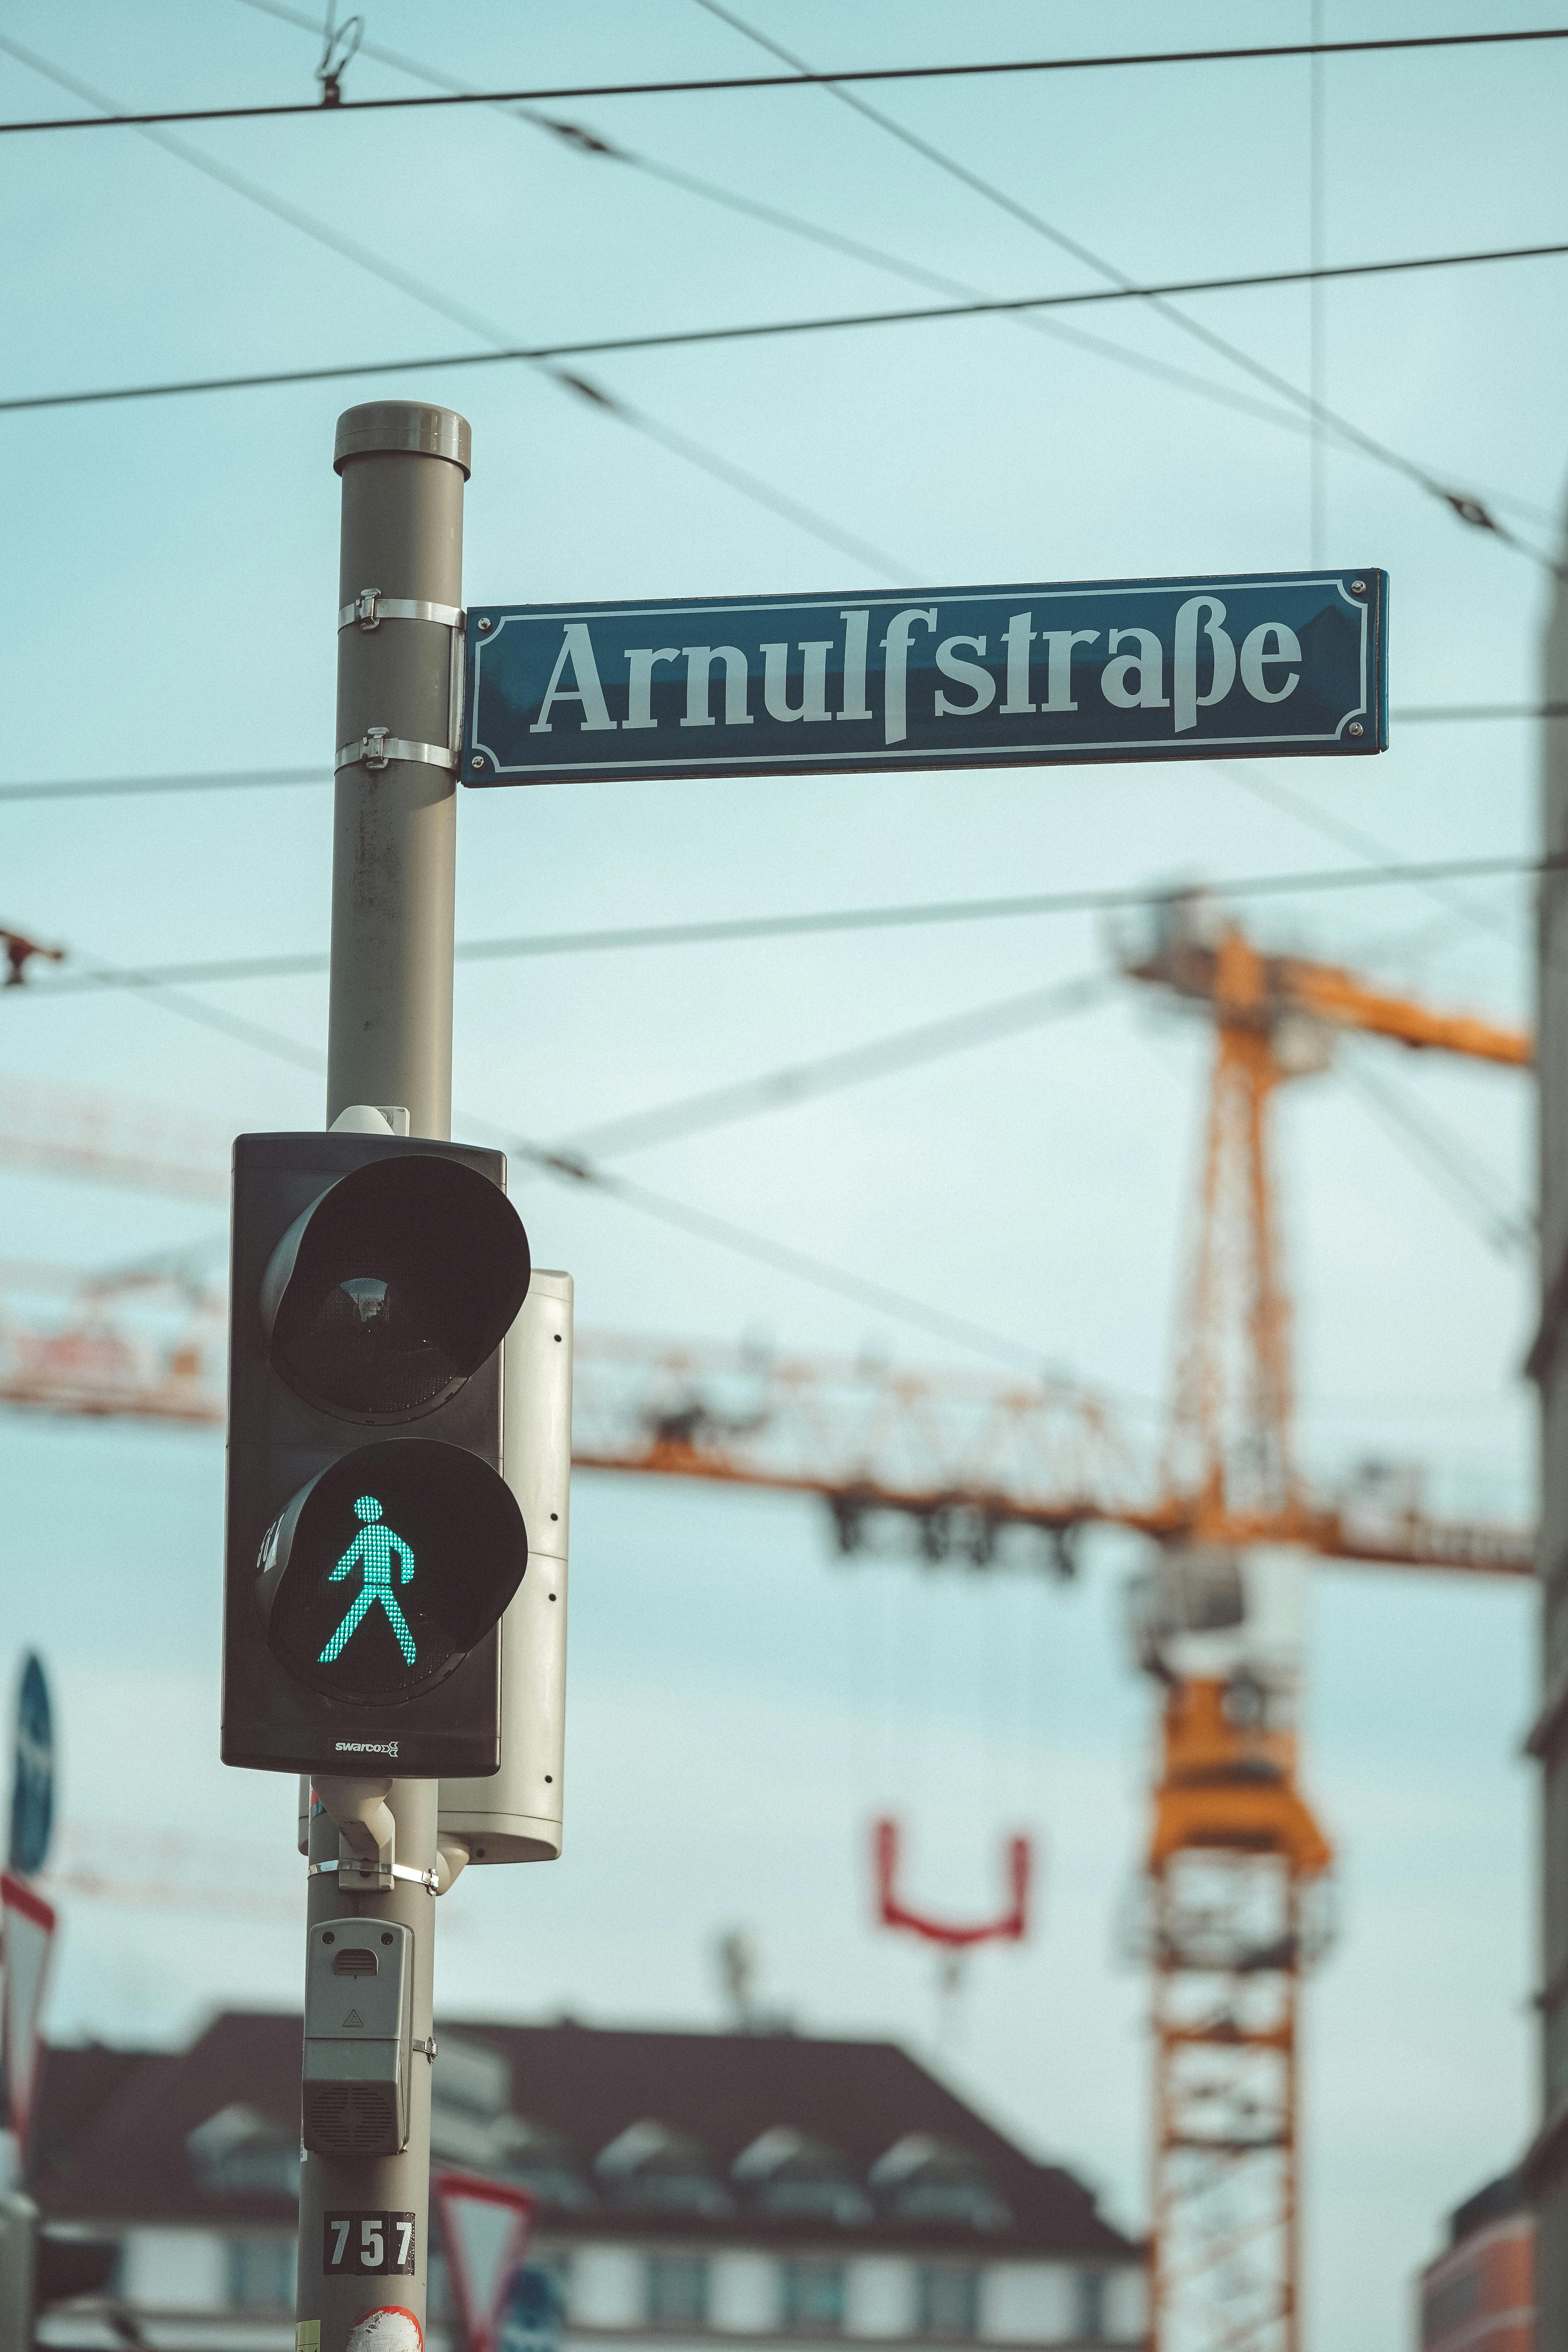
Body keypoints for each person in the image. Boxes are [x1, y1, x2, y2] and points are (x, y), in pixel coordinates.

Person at [319, 1494, 417, 1667]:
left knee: (353, 1620)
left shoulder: (366, 1533)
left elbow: (351, 1557)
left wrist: (337, 1576)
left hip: (373, 1586)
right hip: (381, 1586)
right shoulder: (383, 1532)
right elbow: (406, 1551)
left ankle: (329, 1656)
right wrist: (406, 1576)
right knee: (397, 1621)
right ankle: (411, 1658)